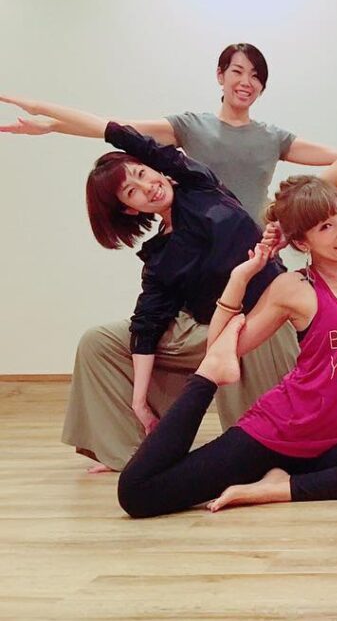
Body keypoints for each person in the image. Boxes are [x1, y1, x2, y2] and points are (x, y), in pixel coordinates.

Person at [117, 165, 337, 518]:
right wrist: (241, 277)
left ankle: (278, 488)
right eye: (324, 227)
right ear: (303, 243)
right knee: (138, 494)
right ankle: (279, 476)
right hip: (274, 435)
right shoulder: (295, 288)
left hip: (330, 443)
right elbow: (220, 350)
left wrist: (291, 216)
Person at [5, 99, 298, 470]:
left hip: (262, 315)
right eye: (131, 192)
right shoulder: (159, 256)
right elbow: (147, 326)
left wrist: (47, 117)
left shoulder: (198, 185)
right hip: (206, 328)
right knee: (99, 341)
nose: (148, 187)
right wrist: (139, 402)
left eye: (142, 174)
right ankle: (128, 452)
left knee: (238, 353)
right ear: (130, 209)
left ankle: (260, 448)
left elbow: (117, 132)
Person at [1, 43, 337, 221]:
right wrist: (52, 124)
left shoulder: (272, 137)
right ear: (220, 76)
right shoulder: (191, 126)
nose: (246, 81)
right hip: (197, 238)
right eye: (237, 71)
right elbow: (116, 128)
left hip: (251, 242)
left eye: (256, 75)